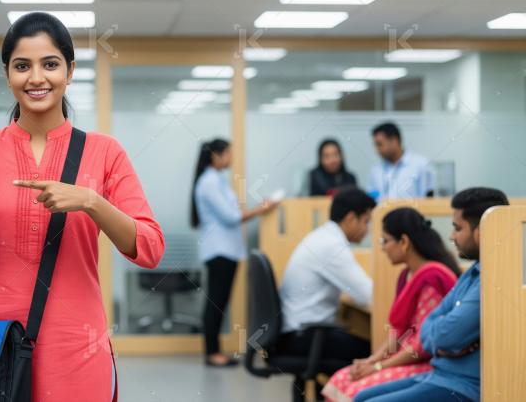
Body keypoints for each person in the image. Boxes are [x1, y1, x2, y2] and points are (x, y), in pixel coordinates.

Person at [0, 12, 164, 402]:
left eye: (50, 64)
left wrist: (91, 202)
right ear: (7, 75)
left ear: (70, 71)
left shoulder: (104, 152)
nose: (37, 78)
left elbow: (149, 248)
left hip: (76, 347)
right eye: (22, 66)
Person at [355, 187, 509, 402]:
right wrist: (439, 336)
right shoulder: (472, 272)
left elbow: (444, 336)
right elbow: (430, 326)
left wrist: (438, 336)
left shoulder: (492, 278)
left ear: (481, 232)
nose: (451, 236)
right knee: (361, 396)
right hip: (439, 373)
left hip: (462, 385)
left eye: (457, 228)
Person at [322, 207, 460, 401]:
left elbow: (421, 345)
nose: (382, 247)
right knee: (341, 378)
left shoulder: (432, 279)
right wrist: (371, 360)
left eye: (385, 241)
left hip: (430, 363)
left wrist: (379, 367)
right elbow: (400, 333)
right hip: (406, 359)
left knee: (356, 390)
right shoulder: (406, 276)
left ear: (403, 242)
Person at [191, 137, 278, 367]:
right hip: (219, 251)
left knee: (218, 301)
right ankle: (212, 353)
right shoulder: (209, 182)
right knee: (216, 302)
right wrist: (261, 209)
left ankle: (214, 351)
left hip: (225, 250)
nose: (231, 158)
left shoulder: (216, 180)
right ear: (216, 155)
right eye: (228, 153)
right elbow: (230, 217)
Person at [278, 186, 376, 364]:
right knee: (376, 350)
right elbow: (369, 296)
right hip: (304, 336)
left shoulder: (322, 237)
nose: (367, 229)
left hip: (296, 331)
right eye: (366, 221)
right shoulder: (332, 246)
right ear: (350, 219)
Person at [368, 122, 435, 200]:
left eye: (380, 144)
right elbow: (372, 199)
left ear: (394, 141)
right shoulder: (375, 170)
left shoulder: (420, 165)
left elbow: (427, 200)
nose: (377, 150)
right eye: (375, 145)